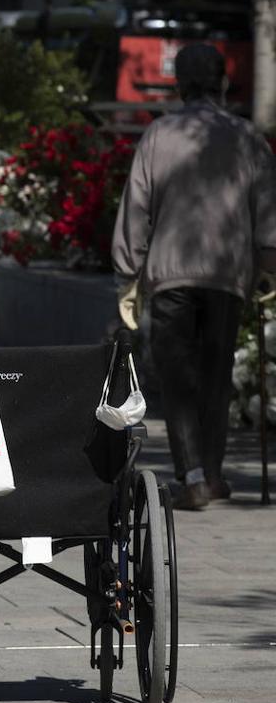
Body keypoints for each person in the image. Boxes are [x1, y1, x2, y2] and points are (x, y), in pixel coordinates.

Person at [113, 43, 276, 510]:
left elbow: (136, 208)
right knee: (216, 374)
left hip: (170, 274)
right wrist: (268, 265)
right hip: (227, 274)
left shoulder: (159, 135)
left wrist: (128, 273)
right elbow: (267, 210)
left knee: (178, 378)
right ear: (223, 83)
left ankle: (195, 477)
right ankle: (213, 472)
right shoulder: (247, 138)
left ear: (180, 84)